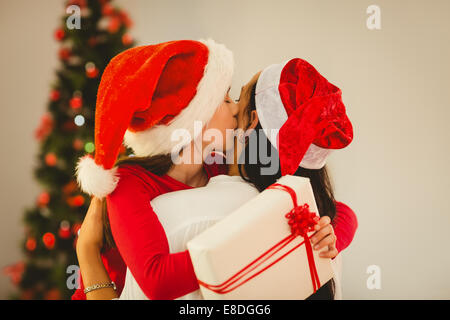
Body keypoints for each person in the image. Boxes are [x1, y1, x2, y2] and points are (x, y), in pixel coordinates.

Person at [75, 53, 357, 300]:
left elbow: (341, 211)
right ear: (194, 118)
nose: (236, 108)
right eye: (226, 99)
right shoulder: (129, 180)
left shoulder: (220, 168)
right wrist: (86, 248)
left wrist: (325, 233)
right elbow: (157, 281)